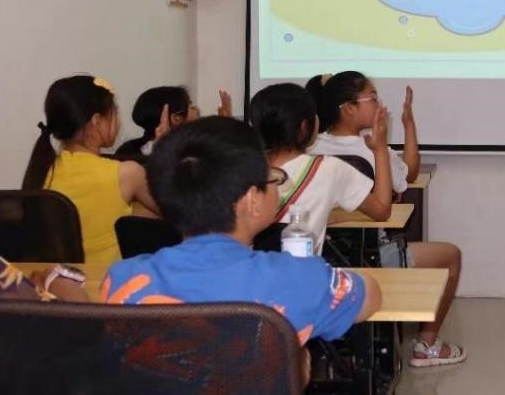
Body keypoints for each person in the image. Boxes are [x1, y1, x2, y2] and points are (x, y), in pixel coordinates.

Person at [102, 116, 381, 386]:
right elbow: (369, 295)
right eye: (272, 179)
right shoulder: (298, 278)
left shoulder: (121, 280)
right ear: (252, 200)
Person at [307, 71, 465, 368]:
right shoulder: (369, 150)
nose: (380, 105)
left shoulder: (311, 149)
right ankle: (427, 346)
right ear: (348, 109)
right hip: (373, 257)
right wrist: (408, 126)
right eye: (372, 98)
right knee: (450, 256)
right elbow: (410, 174)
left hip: (321, 259)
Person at [21, 75, 161, 265]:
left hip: (59, 281)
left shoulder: (42, 171)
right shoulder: (126, 174)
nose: (119, 122)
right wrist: (167, 148)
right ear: (96, 121)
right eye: (114, 113)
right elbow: (181, 211)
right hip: (107, 281)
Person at [248, 82, 393, 254]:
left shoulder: (240, 169)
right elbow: (382, 210)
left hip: (246, 269)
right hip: (301, 270)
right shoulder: (330, 169)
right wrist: (380, 148)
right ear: (304, 128)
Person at [117, 87, 231, 157]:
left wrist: (225, 128)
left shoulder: (131, 150)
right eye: (190, 105)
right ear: (176, 119)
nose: (196, 108)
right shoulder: (184, 156)